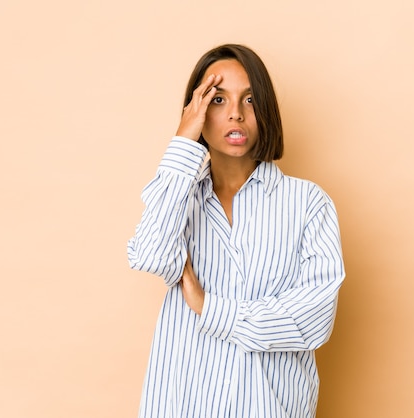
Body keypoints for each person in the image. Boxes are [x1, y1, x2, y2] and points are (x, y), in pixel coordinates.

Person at [127, 44, 345, 418]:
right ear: (196, 111)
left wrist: (211, 309)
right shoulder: (181, 199)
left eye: (249, 99)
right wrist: (182, 142)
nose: (235, 114)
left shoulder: (308, 204)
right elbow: (149, 255)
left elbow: (313, 320)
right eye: (217, 99)